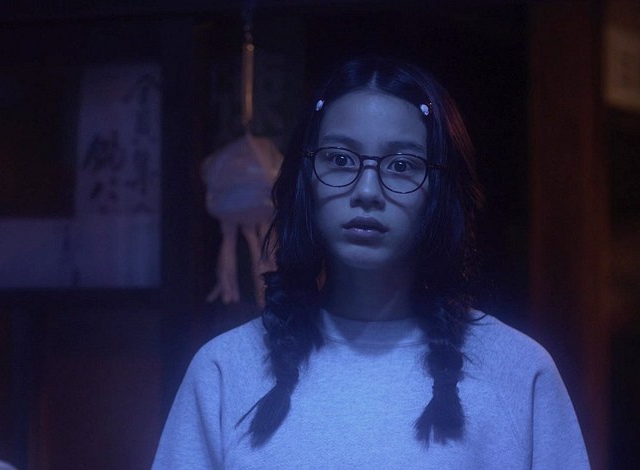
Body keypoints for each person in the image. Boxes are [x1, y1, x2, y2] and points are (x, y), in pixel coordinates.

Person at [152, 56, 589, 469]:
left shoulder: (517, 371)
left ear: (439, 190)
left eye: (401, 165)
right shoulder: (225, 370)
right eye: (340, 160)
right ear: (306, 178)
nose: (367, 191)